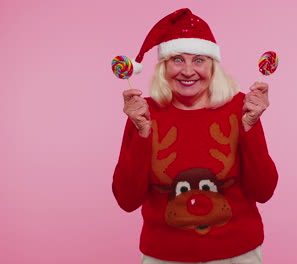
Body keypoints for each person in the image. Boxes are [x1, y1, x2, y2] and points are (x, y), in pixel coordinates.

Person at [112, 8, 279, 264]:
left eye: (199, 60)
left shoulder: (241, 108)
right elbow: (126, 200)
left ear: (213, 66)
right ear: (163, 67)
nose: (188, 71)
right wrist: (142, 133)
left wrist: (250, 126)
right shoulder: (143, 112)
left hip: (237, 254)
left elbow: (264, 191)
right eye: (178, 59)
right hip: (164, 255)